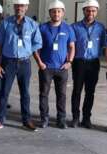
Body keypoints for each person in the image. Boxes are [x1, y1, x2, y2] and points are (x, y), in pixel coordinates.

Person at [0, 0, 42, 132]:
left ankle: (26, 121)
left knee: (25, 93)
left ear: (26, 7)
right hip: (8, 62)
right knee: (4, 92)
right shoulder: (5, 23)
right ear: (14, 7)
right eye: (17, 6)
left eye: (22, 6)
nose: (19, 8)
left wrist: (27, 50)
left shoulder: (32, 24)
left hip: (25, 62)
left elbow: (37, 43)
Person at [32, 1, 75, 129]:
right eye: (53, 11)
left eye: (58, 11)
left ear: (62, 13)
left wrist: (69, 62)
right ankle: (44, 118)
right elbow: (36, 48)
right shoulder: (42, 28)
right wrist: (39, 62)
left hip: (62, 68)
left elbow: (72, 47)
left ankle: (61, 119)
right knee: (44, 94)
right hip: (46, 68)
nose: (56, 13)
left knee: (61, 95)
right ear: (50, 13)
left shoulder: (68, 29)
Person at [70, 0, 105, 128]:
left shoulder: (100, 28)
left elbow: (102, 45)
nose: (90, 12)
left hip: (93, 63)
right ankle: (75, 118)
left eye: (93, 10)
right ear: (83, 11)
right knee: (77, 91)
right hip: (79, 63)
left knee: (90, 92)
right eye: (88, 10)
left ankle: (86, 118)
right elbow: (71, 46)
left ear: (96, 12)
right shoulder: (74, 27)